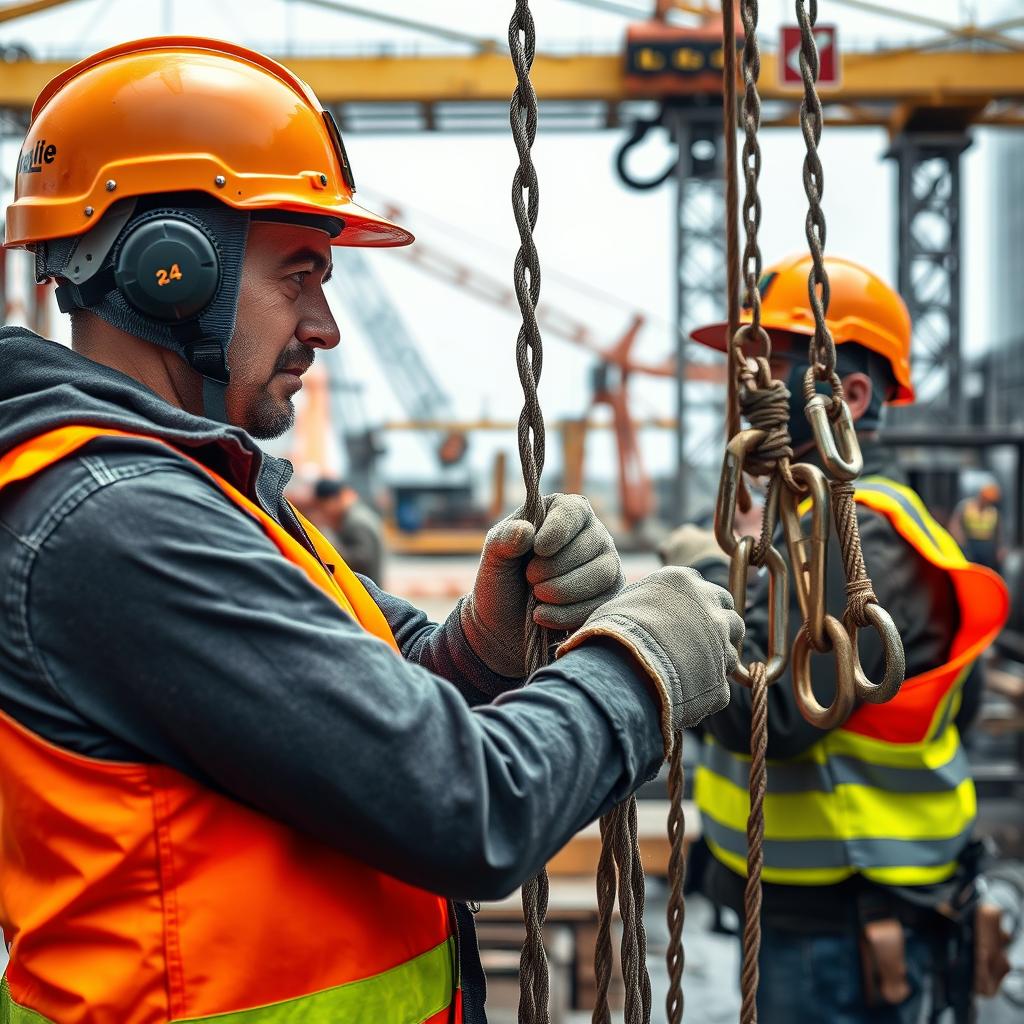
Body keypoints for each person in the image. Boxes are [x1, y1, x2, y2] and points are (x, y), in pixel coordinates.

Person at [0, 38, 745, 1024]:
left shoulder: (195, 490)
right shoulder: (119, 522)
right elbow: (467, 807)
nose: (325, 325)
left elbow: (360, 714)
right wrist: (644, 665)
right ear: (168, 270)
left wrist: (481, 645)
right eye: (298, 275)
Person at [663, 254, 1011, 1023]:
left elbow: (775, 718)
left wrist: (700, 581)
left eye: (767, 368)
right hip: (833, 914)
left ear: (847, 395)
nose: (745, 392)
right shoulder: (821, 520)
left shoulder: (859, 536)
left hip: (841, 927)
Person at [310, 477, 385, 583]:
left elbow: (362, 560)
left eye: (322, 506)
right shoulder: (353, 515)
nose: (322, 511)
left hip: (364, 588)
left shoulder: (356, 521)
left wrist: (327, 539)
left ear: (333, 500)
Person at [952, 481, 1003, 573]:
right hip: (970, 543)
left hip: (987, 546)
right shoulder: (966, 506)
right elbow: (955, 524)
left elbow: (998, 532)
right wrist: (961, 542)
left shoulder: (993, 511)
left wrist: (999, 548)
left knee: (986, 571)